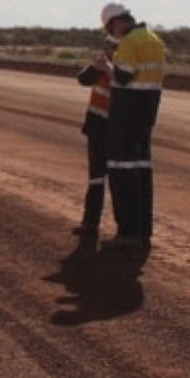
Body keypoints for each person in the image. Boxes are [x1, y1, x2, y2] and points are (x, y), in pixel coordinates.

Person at [98, 2, 166, 250]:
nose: (111, 33)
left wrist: (107, 67)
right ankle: (143, 230)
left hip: (126, 114)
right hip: (147, 112)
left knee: (123, 171)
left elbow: (123, 77)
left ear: (117, 22)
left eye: (110, 27)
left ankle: (127, 233)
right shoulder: (154, 40)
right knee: (142, 172)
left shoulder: (129, 42)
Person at [74, 35, 119, 237]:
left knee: (118, 180)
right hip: (96, 127)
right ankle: (90, 222)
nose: (110, 49)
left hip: (115, 130)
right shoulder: (101, 65)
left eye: (114, 46)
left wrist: (110, 72)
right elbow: (83, 79)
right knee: (96, 179)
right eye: (108, 46)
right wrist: (98, 67)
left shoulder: (123, 71)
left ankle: (125, 229)